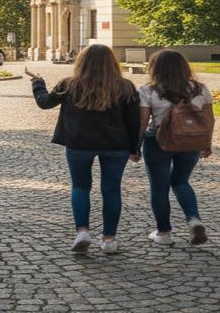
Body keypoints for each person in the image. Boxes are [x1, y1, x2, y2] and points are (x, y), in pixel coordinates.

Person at [27, 45, 140, 254]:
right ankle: (108, 239)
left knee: (80, 187)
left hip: (79, 143)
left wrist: (38, 83)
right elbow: (134, 122)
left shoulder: (70, 84)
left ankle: (82, 231)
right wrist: (135, 148)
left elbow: (44, 103)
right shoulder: (125, 87)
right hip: (116, 145)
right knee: (112, 190)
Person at [138, 49, 212, 246]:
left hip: (158, 141)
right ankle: (194, 219)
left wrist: (134, 146)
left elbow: (143, 122)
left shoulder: (148, 90)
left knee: (159, 187)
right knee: (181, 181)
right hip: (191, 140)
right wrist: (206, 143)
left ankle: (163, 233)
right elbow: (208, 119)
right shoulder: (200, 88)